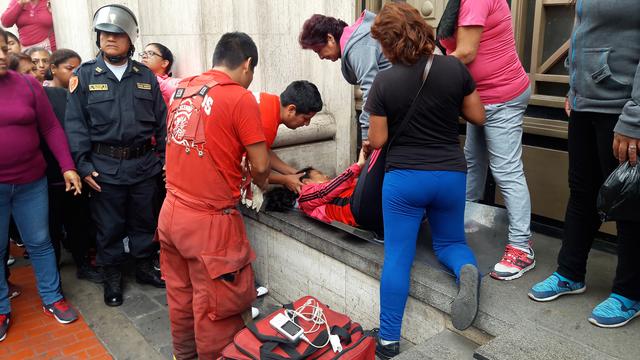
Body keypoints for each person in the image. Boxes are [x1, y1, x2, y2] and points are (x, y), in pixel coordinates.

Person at [365, 3, 485, 358]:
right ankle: (466, 269)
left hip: (404, 181)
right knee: (449, 242)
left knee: (398, 257)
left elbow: (378, 141)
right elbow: (477, 115)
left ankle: (388, 341)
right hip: (449, 174)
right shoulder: (453, 68)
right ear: (421, 29)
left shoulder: (384, 81)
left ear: (388, 43)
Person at [158, 32, 270, 359]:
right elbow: (261, 163)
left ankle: (184, 356)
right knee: (217, 310)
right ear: (247, 64)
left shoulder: (183, 88)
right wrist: (260, 180)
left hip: (171, 212)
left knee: (181, 297)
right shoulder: (239, 97)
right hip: (209, 224)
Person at [529, 0, 640, 329]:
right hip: (585, 104)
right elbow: (584, 33)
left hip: (621, 109)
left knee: (629, 201)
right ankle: (570, 272)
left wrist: (635, 117)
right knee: (581, 193)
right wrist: (573, 87)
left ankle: (629, 292)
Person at [64, 4, 167, 307]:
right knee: (108, 226)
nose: (110, 39)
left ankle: (145, 266)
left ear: (130, 39)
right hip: (104, 168)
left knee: (144, 221)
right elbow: (75, 125)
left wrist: (163, 159)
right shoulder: (84, 76)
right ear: (97, 38)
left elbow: (162, 123)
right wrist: (82, 165)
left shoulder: (146, 76)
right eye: (104, 34)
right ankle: (112, 277)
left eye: (117, 34)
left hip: (144, 165)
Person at [438, 0, 534, 281]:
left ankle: (521, 247)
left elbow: (466, 52)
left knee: (506, 170)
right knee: (472, 161)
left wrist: (427, 72)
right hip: (479, 98)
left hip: (502, 97)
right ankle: (464, 221)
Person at [0, 27, 81, 342]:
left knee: (40, 242)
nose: (2, 55)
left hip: (31, 182)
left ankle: (52, 298)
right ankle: (2, 308)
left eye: (4, 49)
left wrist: (67, 167)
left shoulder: (26, 83)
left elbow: (50, 127)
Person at [41, 48, 102, 282]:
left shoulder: (80, 93)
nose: (74, 73)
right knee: (51, 225)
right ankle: (51, 272)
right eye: (69, 68)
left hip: (78, 169)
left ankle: (83, 263)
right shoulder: (46, 95)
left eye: (77, 69)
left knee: (78, 221)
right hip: (53, 173)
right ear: (53, 68)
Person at [299, 10, 390, 143]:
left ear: (330, 38)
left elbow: (371, 93)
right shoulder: (357, 38)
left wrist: (366, 139)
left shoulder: (357, 47)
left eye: (319, 50)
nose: (321, 57)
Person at [253, 80, 323, 193]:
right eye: (305, 118)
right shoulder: (267, 124)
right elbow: (254, 169)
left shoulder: (268, 102)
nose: (307, 124)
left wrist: (292, 172)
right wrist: (285, 180)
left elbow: (262, 150)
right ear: (291, 109)